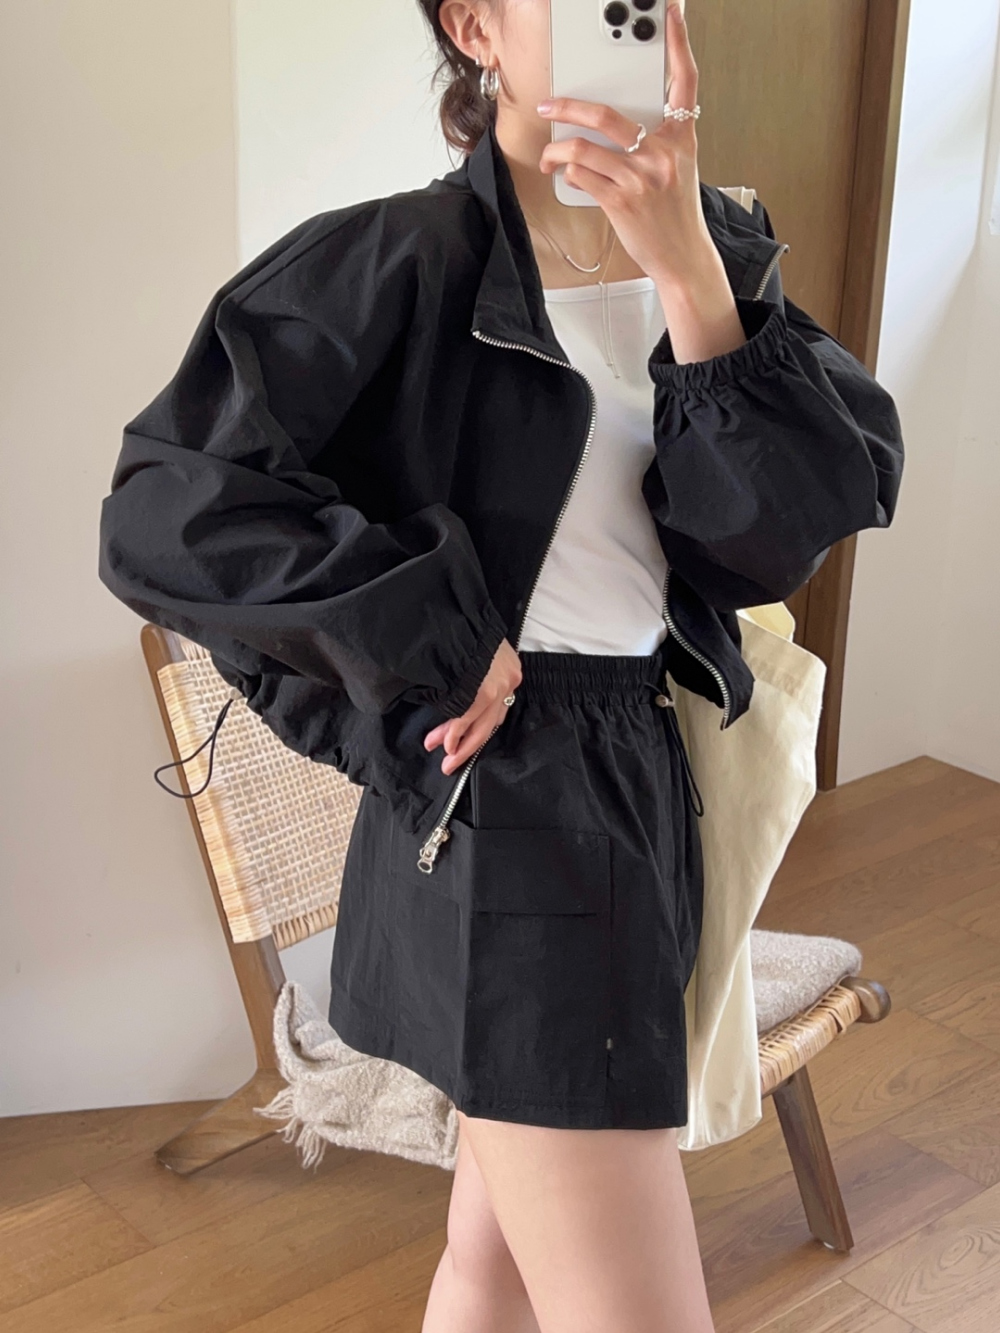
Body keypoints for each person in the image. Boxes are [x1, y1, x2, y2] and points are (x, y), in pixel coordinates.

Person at [98, 1, 905, 1328]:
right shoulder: (392, 262)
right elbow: (167, 511)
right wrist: (430, 636)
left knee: (494, 1259)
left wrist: (692, 277)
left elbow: (778, 538)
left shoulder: (716, 248)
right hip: (512, 808)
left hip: (643, 774)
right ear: (476, 23)